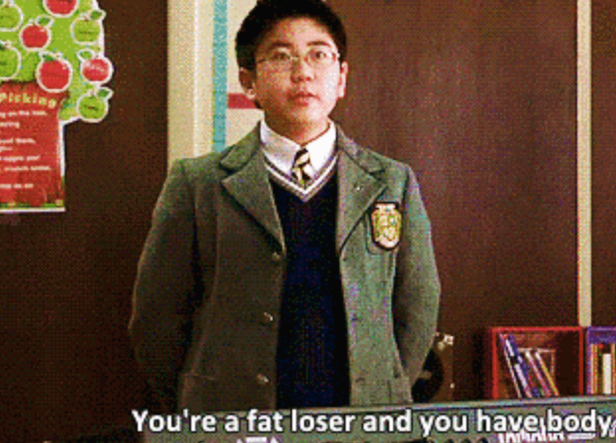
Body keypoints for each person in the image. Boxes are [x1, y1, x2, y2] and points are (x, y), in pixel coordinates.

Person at [129, 0, 441, 413]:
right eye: (280, 56)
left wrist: (382, 390)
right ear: (249, 81)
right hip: (233, 422)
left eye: (319, 54)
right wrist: (200, 405)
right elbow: (157, 320)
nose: (303, 72)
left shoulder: (392, 182)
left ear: (341, 77)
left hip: (361, 423)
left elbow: (417, 309)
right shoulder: (197, 185)